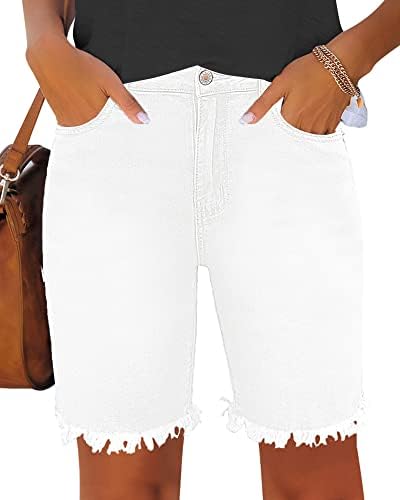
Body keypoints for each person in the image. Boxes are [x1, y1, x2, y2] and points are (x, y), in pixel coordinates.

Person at [22, 0, 399, 499]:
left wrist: (351, 57)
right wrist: (43, 40)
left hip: (283, 124)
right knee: (125, 477)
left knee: (313, 470)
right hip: (115, 128)